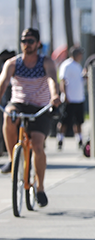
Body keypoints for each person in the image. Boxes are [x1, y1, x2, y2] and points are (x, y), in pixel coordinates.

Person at [0, 28, 61, 208]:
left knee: (37, 145)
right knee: (8, 116)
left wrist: (55, 96)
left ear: (38, 43)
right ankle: (13, 159)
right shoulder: (13, 63)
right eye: (24, 40)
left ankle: (40, 187)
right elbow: (3, 82)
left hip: (40, 107)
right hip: (19, 103)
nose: (27, 44)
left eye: (31, 41)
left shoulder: (45, 62)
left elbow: (51, 79)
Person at [57, 47, 86, 150]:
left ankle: (79, 139)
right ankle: (60, 139)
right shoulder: (66, 65)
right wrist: (65, 95)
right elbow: (62, 80)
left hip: (79, 98)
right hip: (69, 99)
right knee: (64, 121)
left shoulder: (78, 66)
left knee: (78, 121)